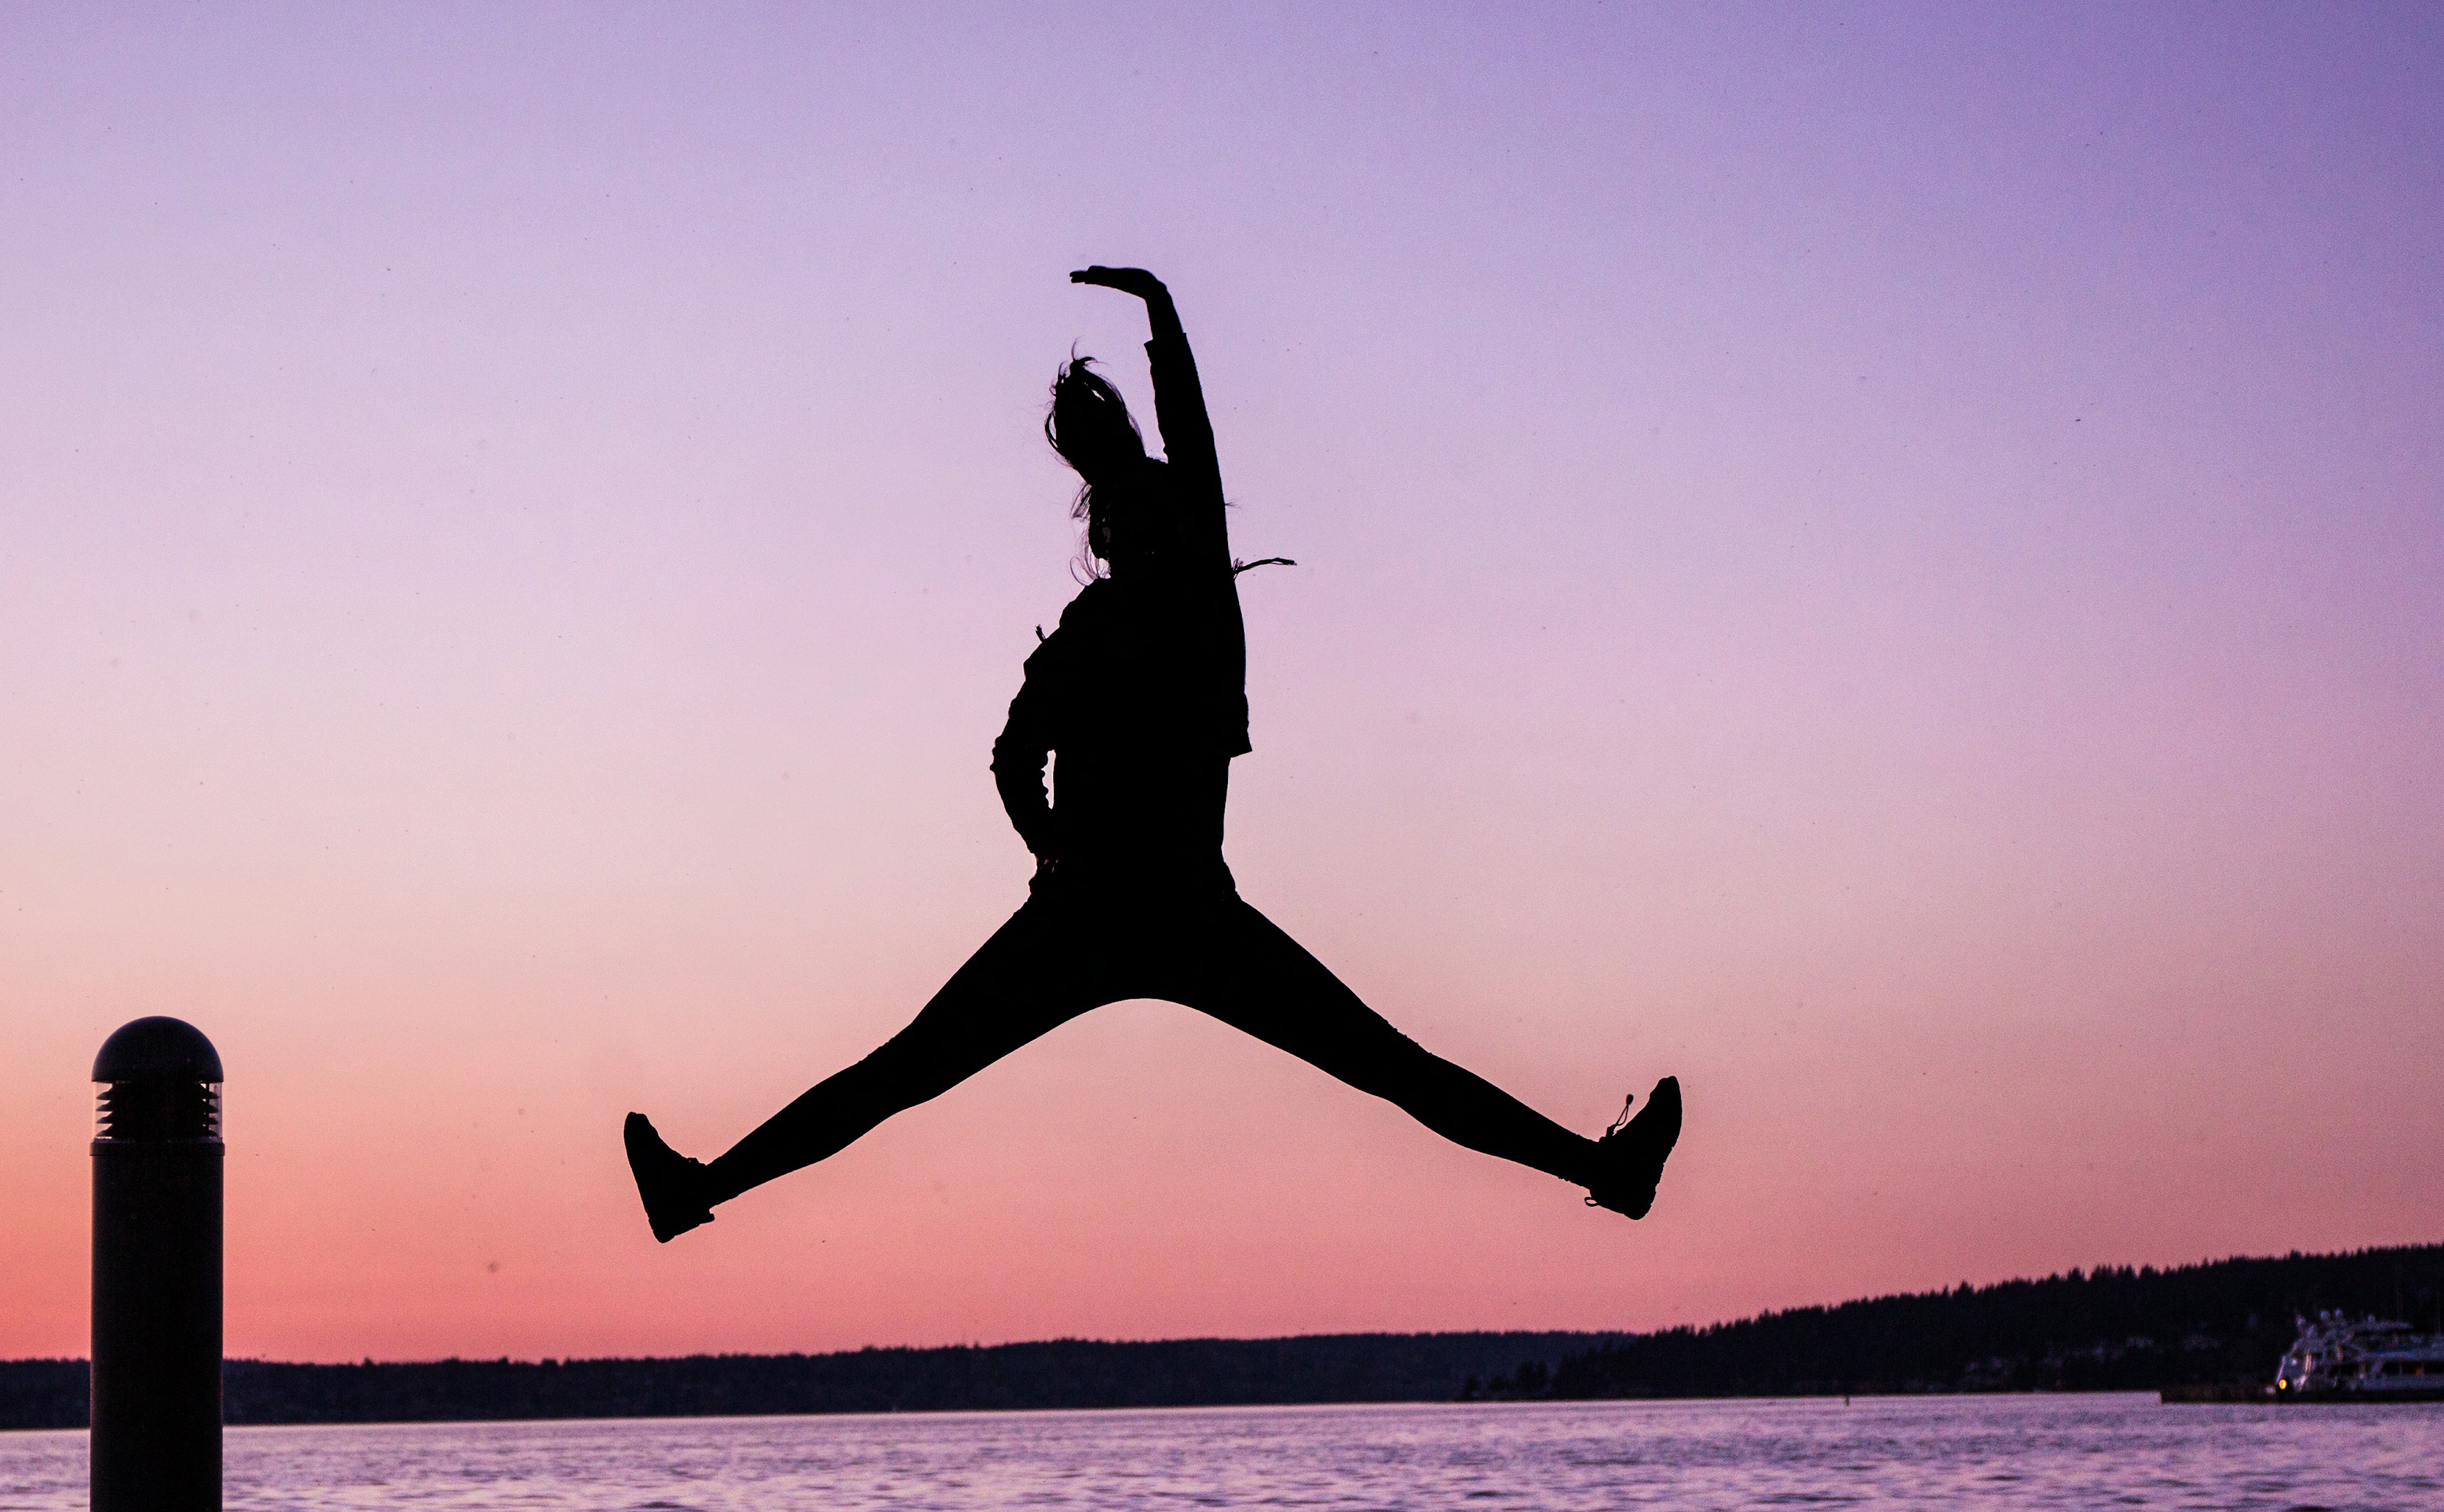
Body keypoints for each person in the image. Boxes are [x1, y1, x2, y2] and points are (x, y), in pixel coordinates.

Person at [624, 265, 1679, 1243]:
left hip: (1184, 914)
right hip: (1088, 918)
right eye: (1113, 510)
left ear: (1172, 526)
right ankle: (696, 1189)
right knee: (904, 1071)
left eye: (1146, 507)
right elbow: (1008, 759)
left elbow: (1198, 457)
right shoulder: (1086, 635)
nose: (1127, 520)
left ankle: (1603, 1166)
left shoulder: (1200, 609)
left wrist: (1164, 319)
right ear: (1102, 527)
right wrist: (1052, 851)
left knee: (1389, 1065)